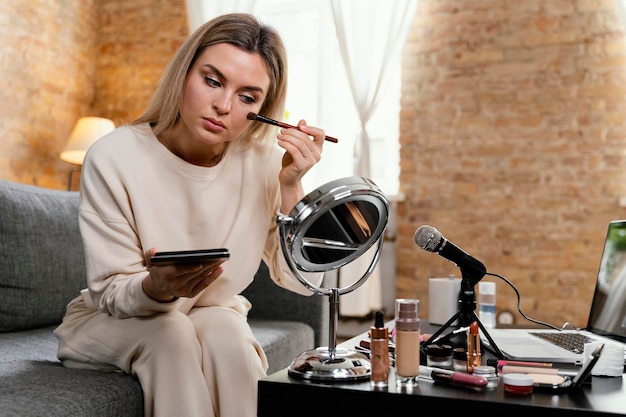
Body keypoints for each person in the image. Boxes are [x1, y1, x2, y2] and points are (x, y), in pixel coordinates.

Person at [54, 13, 326, 417]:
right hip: (110, 319)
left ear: (263, 109)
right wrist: (157, 288)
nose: (223, 105)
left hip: (210, 314)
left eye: (247, 98)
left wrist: (291, 186)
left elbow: (306, 282)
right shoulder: (114, 156)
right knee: (172, 331)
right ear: (184, 73)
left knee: (227, 332)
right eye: (212, 81)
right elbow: (110, 292)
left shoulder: (268, 166)